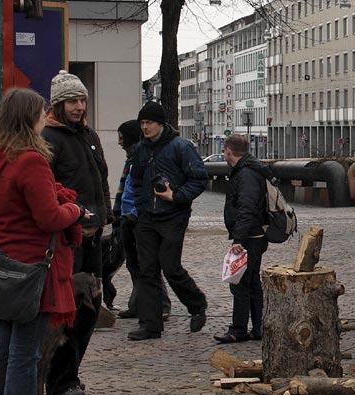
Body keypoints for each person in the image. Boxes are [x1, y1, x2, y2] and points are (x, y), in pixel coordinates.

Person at [0, 88, 88, 395]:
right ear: (30, 118)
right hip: (32, 270)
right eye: (42, 112)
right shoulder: (30, 161)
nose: (46, 117)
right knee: (23, 358)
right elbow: (50, 218)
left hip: (3, 266)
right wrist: (74, 208)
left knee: (4, 357)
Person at [41, 70, 112, 395]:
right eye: (72, 101)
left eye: (82, 100)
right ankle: (59, 380)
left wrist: (106, 216)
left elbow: (99, 178)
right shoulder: (49, 139)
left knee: (90, 308)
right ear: (58, 103)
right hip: (69, 238)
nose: (79, 106)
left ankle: (70, 374)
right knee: (68, 311)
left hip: (94, 234)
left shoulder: (88, 134)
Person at [128, 101, 209, 341]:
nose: (145, 127)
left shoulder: (181, 147)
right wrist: (140, 206)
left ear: (160, 124)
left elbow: (199, 179)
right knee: (147, 270)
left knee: (170, 266)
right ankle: (151, 325)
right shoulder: (141, 149)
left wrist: (176, 196)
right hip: (147, 217)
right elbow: (136, 179)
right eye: (142, 123)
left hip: (173, 215)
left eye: (149, 122)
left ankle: (197, 305)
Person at [215, 134, 272, 343]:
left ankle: (238, 329)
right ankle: (258, 328)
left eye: (224, 151)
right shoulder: (248, 170)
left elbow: (246, 208)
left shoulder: (246, 174)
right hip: (255, 235)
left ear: (228, 151)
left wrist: (238, 238)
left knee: (239, 282)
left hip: (250, 237)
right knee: (251, 282)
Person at [112, 120, 171, 321]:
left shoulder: (142, 159)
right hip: (127, 218)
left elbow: (143, 190)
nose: (119, 143)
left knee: (147, 264)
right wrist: (118, 216)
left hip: (138, 219)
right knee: (134, 264)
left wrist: (134, 214)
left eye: (121, 138)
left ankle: (161, 305)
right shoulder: (131, 159)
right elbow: (124, 190)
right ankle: (137, 304)